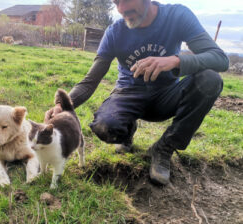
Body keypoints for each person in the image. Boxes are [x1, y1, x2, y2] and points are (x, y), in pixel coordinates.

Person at [45, 0, 229, 185]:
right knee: (104, 126)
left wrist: (175, 60)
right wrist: (62, 105)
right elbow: (90, 81)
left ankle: (164, 148)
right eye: (116, 2)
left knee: (210, 80)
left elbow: (220, 59)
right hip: (128, 93)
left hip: (167, 95)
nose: (121, 9)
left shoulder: (177, 16)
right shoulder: (115, 32)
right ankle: (126, 131)